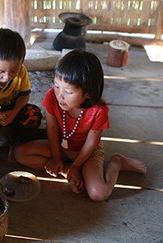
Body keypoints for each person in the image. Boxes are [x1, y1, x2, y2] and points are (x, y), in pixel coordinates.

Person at [13, 49, 146, 201]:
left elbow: (92, 142)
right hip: (61, 147)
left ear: (88, 93)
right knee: (20, 153)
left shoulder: (98, 111)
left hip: (87, 153)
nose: (60, 95)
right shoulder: (52, 96)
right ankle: (65, 170)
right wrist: (56, 158)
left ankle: (117, 162)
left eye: (68, 91)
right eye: (57, 86)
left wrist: (77, 165)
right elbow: (52, 128)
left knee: (99, 193)